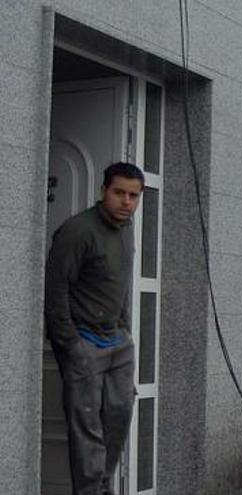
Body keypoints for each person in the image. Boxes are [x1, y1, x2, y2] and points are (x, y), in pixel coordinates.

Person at [44, 163, 144, 495]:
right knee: (87, 429)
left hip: (117, 343)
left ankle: (103, 488)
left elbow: (122, 283)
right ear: (103, 191)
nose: (126, 202)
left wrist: (126, 329)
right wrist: (70, 345)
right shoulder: (77, 231)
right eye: (119, 193)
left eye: (134, 195)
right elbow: (55, 290)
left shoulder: (126, 229)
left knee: (117, 419)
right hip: (84, 343)